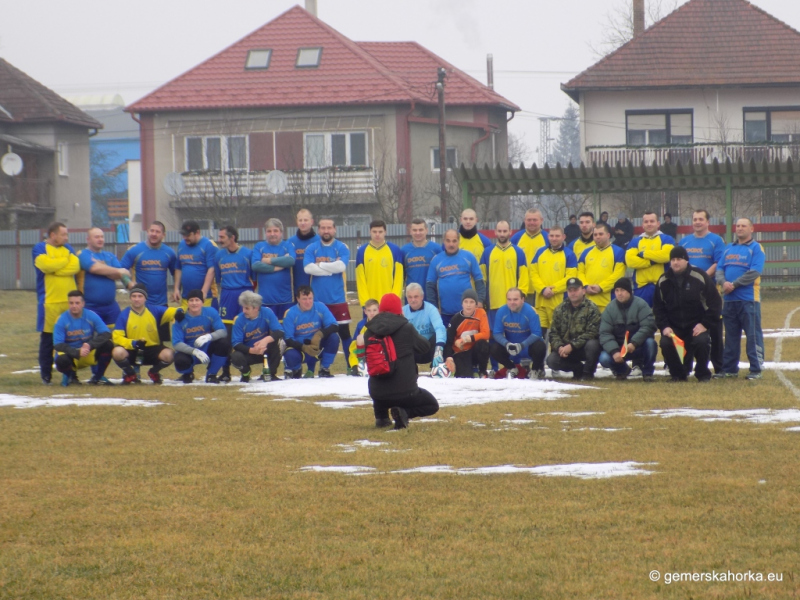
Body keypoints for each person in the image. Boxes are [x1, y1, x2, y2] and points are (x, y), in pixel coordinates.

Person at [365, 293, 440, 430]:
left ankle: (381, 418)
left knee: (380, 382)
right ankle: (404, 412)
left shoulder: (369, 331)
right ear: (399, 309)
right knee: (432, 405)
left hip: (377, 392)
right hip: (405, 391)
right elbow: (424, 347)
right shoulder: (406, 328)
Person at [653, 247, 721, 382]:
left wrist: (704, 324)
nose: (675, 262)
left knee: (701, 341)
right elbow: (658, 308)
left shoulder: (699, 276)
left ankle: (702, 374)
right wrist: (664, 326)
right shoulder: (663, 281)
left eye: (679, 259)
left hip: (696, 325)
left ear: (686, 261)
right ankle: (678, 374)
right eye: (673, 259)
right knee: (665, 342)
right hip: (674, 327)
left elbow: (715, 303)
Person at [715, 218, 765, 380]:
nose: (740, 228)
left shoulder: (756, 248)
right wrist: (723, 282)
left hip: (748, 300)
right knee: (730, 337)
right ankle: (730, 369)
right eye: (738, 226)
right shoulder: (729, 248)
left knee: (753, 336)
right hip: (729, 300)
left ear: (752, 229)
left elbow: (755, 272)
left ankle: (756, 369)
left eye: (744, 226)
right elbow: (719, 269)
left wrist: (734, 284)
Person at [680, 209, 726, 374]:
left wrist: (701, 278)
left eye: (701, 219)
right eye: (695, 219)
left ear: (707, 222)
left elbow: (719, 262)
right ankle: (686, 366)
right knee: (689, 330)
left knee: (714, 331)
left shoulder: (716, 240)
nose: (697, 222)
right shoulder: (685, 242)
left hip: (709, 292)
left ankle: (719, 368)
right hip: (689, 294)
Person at [303, 218, 353, 370]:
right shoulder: (312, 248)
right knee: (314, 334)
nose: (326, 231)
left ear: (334, 229)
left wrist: (319, 265)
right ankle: (311, 370)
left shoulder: (341, 247)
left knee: (344, 334)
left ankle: (351, 366)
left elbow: (341, 266)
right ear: (318, 230)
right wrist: (331, 268)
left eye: (329, 228)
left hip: (338, 300)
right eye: (323, 228)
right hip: (317, 301)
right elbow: (308, 269)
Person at [33, 222, 79, 385]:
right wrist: (64, 261)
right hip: (50, 303)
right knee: (48, 340)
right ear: (53, 235)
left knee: (71, 339)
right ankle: (46, 376)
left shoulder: (68, 249)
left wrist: (56, 268)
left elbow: (75, 266)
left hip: (69, 303)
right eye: (63, 234)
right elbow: (45, 266)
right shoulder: (40, 248)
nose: (66, 238)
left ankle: (71, 374)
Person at [120, 220, 176, 341]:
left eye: (157, 232)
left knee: (161, 342)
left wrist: (177, 289)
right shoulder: (135, 250)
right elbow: (121, 270)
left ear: (163, 235)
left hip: (161, 303)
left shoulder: (169, 253)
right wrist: (129, 283)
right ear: (147, 232)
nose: (154, 234)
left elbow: (177, 272)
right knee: (141, 340)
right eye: (152, 231)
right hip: (142, 304)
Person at [111, 284, 178, 384]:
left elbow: (173, 311)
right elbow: (116, 337)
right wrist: (133, 343)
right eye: (134, 296)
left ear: (145, 298)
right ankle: (130, 374)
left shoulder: (154, 310)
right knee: (117, 352)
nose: (136, 299)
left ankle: (153, 372)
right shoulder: (124, 315)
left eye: (140, 296)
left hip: (153, 350)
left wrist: (179, 312)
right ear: (130, 298)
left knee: (169, 355)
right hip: (133, 350)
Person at [598, 278, 657, 381]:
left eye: (622, 290)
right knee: (604, 358)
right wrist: (614, 351)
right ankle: (622, 370)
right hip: (619, 348)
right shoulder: (609, 309)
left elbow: (648, 326)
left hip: (638, 346)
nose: (619, 293)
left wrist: (634, 343)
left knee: (650, 343)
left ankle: (647, 372)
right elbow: (604, 333)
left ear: (629, 291)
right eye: (617, 290)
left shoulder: (641, 305)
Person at [215, 225, 253, 381]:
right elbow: (218, 279)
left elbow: (254, 277)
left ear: (232, 238)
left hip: (244, 294)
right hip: (227, 296)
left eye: (222, 237)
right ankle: (225, 372)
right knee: (225, 336)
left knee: (246, 333)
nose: (219, 240)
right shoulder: (219, 255)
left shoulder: (248, 254)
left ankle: (245, 369)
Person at [53, 290, 113, 386]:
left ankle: (98, 377)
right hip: (71, 355)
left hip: (87, 352)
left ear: (83, 304)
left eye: (77, 303)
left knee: (108, 345)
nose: (74, 306)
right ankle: (70, 376)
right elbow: (58, 345)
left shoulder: (91, 315)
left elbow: (106, 334)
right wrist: (76, 352)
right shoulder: (61, 319)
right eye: (71, 303)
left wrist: (90, 345)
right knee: (61, 360)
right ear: (68, 304)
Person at [546, 277, 602, 380]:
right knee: (551, 361)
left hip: (583, 348)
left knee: (593, 345)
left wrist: (572, 346)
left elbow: (592, 333)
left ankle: (588, 373)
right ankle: (578, 369)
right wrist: (560, 347)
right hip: (566, 350)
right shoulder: (560, 309)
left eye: (576, 290)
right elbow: (553, 333)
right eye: (570, 290)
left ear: (583, 291)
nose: (573, 293)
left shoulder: (592, 308)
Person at [427, 228, 486, 326]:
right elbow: (430, 286)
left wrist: (480, 300)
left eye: (454, 241)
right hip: (445, 313)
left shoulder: (469, 257)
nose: (451, 244)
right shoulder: (436, 260)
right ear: (444, 241)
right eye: (448, 241)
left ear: (458, 241)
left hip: (468, 312)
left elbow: (479, 280)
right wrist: (434, 307)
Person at [529, 225, 577, 341]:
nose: (554, 238)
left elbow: (571, 277)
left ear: (563, 237)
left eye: (557, 236)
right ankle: (540, 354)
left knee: (557, 336)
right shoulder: (540, 252)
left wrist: (553, 290)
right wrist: (543, 289)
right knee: (538, 335)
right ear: (548, 237)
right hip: (541, 302)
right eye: (551, 236)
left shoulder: (569, 254)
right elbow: (533, 273)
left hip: (559, 303)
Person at [480, 220, 529, 335]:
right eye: (500, 231)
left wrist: (521, 297)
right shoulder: (487, 252)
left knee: (513, 335)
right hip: (493, 304)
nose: (502, 234)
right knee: (494, 336)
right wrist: (481, 299)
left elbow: (524, 278)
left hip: (513, 304)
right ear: (495, 232)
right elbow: (482, 278)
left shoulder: (518, 252)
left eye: (505, 231)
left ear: (510, 232)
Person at [77, 228, 131, 329]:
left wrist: (103, 267)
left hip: (111, 307)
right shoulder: (83, 254)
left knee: (117, 334)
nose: (100, 239)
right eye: (97, 237)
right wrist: (113, 270)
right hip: (90, 307)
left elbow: (119, 275)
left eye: (102, 237)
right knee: (93, 337)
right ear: (88, 239)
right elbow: (94, 268)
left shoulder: (110, 256)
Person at [172, 289, 230, 384]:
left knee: (224, 344)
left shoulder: (210, 312)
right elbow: (177, 343)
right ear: (187, 303)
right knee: (180, 360)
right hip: (189, 352)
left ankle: (211, 375)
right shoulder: (180, 317)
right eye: (191, 300)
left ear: (202, 302)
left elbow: (223, 331)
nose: (194, 303)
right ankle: (188, 373)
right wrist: (194, 351)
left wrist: (209, 336)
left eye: (197, 300)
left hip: (207, 349)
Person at [282, 286, 340, 378]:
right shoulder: (290, 313)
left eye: (310, 298)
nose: (308, 302)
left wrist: (319, 334)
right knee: (290, 355)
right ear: (298, 299)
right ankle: (296, 368)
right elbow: (288, 339)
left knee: (334, 338)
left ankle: (324, 368)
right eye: (304, 299)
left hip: (317, 346)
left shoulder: (320, 307)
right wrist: (303, 347)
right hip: (300, 348)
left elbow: (334, 326)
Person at [490, 287, 547, 380]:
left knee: (540, 346)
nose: (512, 302)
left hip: (527, 347)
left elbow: (537, 333)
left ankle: (535, 370)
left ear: (522, 299)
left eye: (515, 299)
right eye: (509, 299)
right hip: (511, 347)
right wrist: (507, 344)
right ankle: (512, 368)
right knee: (494, 348)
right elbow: (496, 333)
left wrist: (522, 345)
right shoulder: (501, 311)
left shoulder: (530, 311)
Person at [230, 291, 284, 383]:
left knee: (280, 342)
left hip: (265, 349)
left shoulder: (267, 312)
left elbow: (280, 331)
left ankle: (270, 373)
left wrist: (265, 340)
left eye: (247, 308)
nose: (244, 311)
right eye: (243, 307)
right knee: (235, 357)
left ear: (256, 308)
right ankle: (246, 373)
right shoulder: (239, 319)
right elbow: (236, 344)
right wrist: (252, 350)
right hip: (248, 352)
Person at [625, 211, 675, 306]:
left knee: (662, 314)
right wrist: (652, 261)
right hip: (641, 288)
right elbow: (630, 261)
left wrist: (643, 253)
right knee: (643, 314)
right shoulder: (635, 241)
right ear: (642, 224)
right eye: (646, 222)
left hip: (662, 286)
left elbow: (666, 256)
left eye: (652, 221)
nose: (649, 224)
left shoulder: (667, 239)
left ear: (658, 223)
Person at [252, 218, 296, 321]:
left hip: (285, 299)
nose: (272, 234)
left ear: (281, 232)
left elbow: (290, 261)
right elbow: (255, 265)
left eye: (275, 231)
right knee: (267, 328)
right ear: (265, 233)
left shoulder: (288, 245)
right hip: (264, 300)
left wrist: (267, 260)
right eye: (269, 231)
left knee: (285, 328)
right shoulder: (259, 246)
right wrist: (278, 267)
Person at [577, 223, 626, 313]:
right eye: (595, 235)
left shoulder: (618, 252)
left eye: (601, 234)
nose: (597, 237)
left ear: (608, 235)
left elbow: (618, 275)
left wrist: (601, 287)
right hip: (588, 302)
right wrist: (585, 286)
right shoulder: (586, 252)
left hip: (609, 302)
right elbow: (580, 272)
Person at [355, 219, 404, 309]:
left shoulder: (395, 250)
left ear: (385, 232)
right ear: (370, 232)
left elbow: (398, 279)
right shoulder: (362, 251)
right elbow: (360, 280)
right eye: (374, 232)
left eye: (380, 232)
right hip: (370, 306)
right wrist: (365, 303)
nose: (377, 234)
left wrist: (394, 300)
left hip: (389, 304)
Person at [443, 289, 490, 378]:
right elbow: (448, 341)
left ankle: (482, 371)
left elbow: (486, 334)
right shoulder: (455, 319)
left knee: (483, 344)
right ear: (462, 304)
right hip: (461, 352)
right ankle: (469, 369)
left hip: (475, 351)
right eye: (466, 302)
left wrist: (468, 339)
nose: (468, 305)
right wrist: (449, 357)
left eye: (472, 302)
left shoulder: (481, 313)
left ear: (476, 304)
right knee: (465, 377)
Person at [172, 220, 217, 308]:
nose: (185, 237)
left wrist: (203, 292)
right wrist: (176, 288)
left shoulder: (208, 245)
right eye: (183, 235)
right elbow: (178, 268)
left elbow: (212, 269)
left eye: (188, 235)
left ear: (197, 232)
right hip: (186, 297)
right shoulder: (181, 245)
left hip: (206, 297)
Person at [402, 283, 447, 367]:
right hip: (412, 349)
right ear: (406, 298)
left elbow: (440, 328)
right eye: (410, 297)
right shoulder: (402, 312)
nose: (413, 300)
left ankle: (437, 368)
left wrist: (439, 348)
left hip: (429, 348)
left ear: (422, 296)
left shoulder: (431, 309)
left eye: (416, 296)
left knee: (440, 336)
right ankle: (408, 371)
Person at [401, 217, 441, 303]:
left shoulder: (436, 249)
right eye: (415, 230)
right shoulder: (404, 251)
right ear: (410, 231)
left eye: (421, 230)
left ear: (426, 230)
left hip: (432, 299)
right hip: (412, 300)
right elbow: (401, 278)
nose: (418, 233)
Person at [287, 208, 319, 294]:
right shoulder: (290, 242)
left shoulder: (319, 241)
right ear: (297, 222)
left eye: (305, 220)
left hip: (315, 288)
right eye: (300, 220)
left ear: (311, 222)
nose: (303, 223)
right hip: (295, 289)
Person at [349, 299, 380, 376]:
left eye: (374, 310)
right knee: (360, 338)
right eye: (369, 310)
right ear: (365, 311)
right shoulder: (361, 325)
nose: (372, 313)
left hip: (380, 356)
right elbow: (353, 347)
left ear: (379, 310)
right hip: (366, 355)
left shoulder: (383, 323)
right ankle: (361, 365)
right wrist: (354, 364)